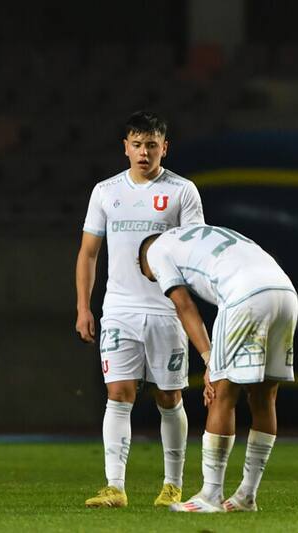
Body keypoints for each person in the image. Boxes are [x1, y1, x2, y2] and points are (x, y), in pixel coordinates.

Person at [76, 111, 205, 508]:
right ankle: (115, 487)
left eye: (151, 145)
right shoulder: (106, 191)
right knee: (119, 393)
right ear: (126, 148)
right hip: (119, 309)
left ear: (165, 147)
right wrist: (83, 307)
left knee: (169, 397)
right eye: (137, 144)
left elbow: (195, 250)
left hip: (167, 310)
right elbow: (88, 253)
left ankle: (172, 485)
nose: (144, 152)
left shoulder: (183, 192)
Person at [138, 224, 298, 512]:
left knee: (222, 394)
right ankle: (247, 495)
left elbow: (185, 306)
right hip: (286, 292)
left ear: (143, 261)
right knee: (264, 397)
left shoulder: (156, 250)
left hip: (245, 295)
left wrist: (209, 359)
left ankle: (210, 495)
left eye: (151, 277)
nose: (155, 281)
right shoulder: (203, 234)